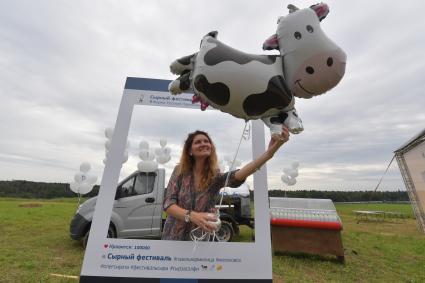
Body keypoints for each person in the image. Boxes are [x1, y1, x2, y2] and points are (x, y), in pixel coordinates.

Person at [161, 126, 289, 241]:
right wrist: (192, 216)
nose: (204, 143)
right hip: (173, 237)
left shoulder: (214, 176)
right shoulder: (179, 171)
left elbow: (238, 175)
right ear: (190, 150)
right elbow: (168, 204)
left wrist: (269, 153)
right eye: (198, 142)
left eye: (207, 141)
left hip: (199, 239)